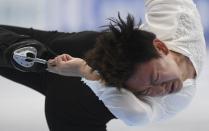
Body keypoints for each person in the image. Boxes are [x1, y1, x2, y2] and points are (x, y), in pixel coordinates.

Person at [0, 0, 206, 131]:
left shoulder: (173, 99)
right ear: (159, 46)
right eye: (154, 79)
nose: (160, 90)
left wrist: (84, 70)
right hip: (76, 51)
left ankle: (21, 50)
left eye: (144, 91)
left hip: (76, 107)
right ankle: (21, 51)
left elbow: (137, 116)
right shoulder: (174, 17)